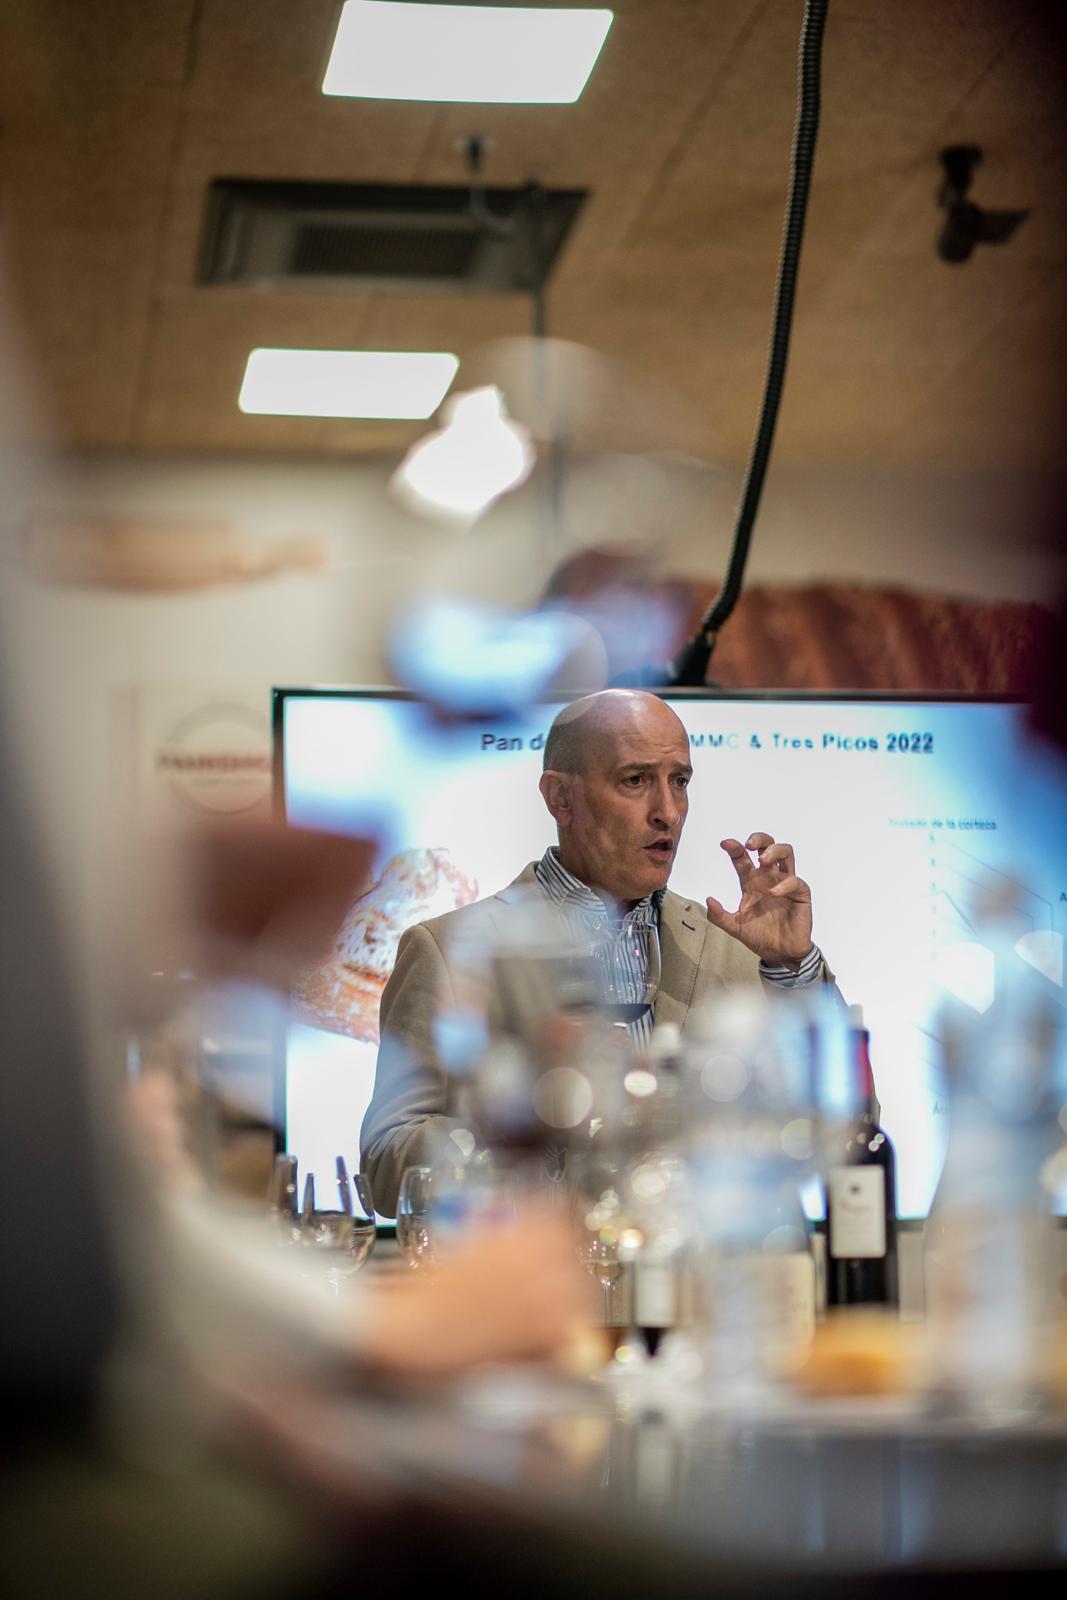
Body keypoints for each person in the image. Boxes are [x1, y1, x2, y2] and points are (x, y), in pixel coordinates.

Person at [362, 689, 838, 1214]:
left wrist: (793, 971)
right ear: (560, 798)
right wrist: (526, 1114)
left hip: (707, 1262)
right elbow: (386, 1162)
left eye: (679, 782)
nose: (668, 813)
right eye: (635, 780)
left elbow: (844, 1131)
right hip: (544, 1263)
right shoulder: (450, 951)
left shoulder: (740, 943)